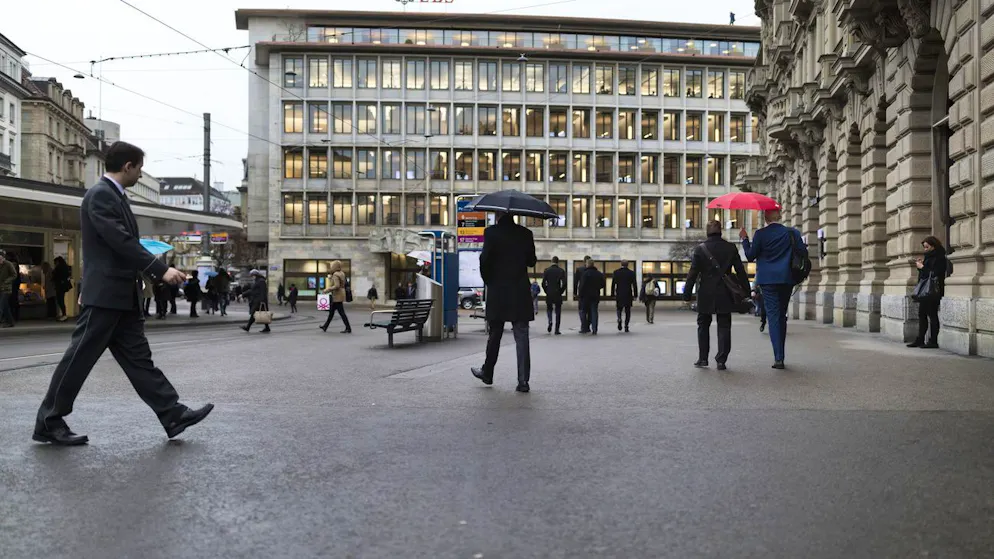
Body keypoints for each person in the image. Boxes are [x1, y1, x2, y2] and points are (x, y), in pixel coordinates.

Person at [34, 141, 213, 446]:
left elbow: (124, 243)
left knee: (139, 360)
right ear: (128, 166)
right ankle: (49, 421)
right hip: (105, 295)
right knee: (78, 360)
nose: (141, 174)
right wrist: (159, 269)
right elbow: (120, 241)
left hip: (122, 296)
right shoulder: (100, 196)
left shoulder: (116, 197)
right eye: (139, 168)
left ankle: (172, 413)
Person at [471, 211, 537, 393]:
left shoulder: (491, 233)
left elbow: (484, 260)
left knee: (495, 333)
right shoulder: (526, 234)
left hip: (498, 291)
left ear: (498, 215)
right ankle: (523, 381)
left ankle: (488, 372)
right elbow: (531, 262)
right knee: (521, 335)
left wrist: (490, 281)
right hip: (519, 291)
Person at [740, 209, 809, 369]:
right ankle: (780, 354)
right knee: (781, 314)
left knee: (773, 316)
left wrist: (744, 239)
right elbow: (803, 252)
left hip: (768, 280)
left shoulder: (760, 234)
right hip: (786, 278)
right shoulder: (792, 233)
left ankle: (779, 357)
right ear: (779, 216)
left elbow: (750, 255)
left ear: (765, 218)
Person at [685, 221, 751, 370]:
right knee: (724, 325)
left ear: (707, 232)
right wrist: (746, 291)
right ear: (721, 231)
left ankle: (703, 358)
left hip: (705, 292)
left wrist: (687, 294)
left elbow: (693, 273)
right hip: (725, 292)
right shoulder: (730, 247)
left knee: (703, 325)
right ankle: (721, 360)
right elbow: (740, 271)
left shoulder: (700, 249)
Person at [908, 236, 948, 349]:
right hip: (926, 291)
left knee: (932, 315)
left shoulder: (940, 258)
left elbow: (935, 273)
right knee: (922, 314)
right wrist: (921, 266)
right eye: (924, 247)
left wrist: (923, 267)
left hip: (933, 291)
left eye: (927, 247)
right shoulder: (928, 256)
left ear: (933, 246)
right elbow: (925, 274)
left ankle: (933, 341)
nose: (925, 249)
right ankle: (920, 339)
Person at [319, 260, 352, 333]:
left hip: (337, 295)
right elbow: (340, 283)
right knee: (332, 312)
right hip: (341, 294)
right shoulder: (342, 273)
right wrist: (331, 278)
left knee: (341, 313)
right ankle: (325, 326)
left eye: (332, 266)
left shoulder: (335, 275)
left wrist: (327, 290)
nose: (331, 267)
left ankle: (348, 328)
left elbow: (336, 286)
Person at [578, 259, 605, 335]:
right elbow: (603, 284)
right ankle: (594, 328)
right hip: (595, 295)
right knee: (594, 312)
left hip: (585, 296)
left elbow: (582, 286)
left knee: (583, 311)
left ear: (587, 264)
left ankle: (584, 327)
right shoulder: (598, 273)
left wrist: (580, 295)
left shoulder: (585, 273)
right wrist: (597, 287)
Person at [541, 256, 567, 335]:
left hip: (549, 293)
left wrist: (546, 290)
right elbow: (564, 283)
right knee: (558, 311)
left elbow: (543, 283)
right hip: (557, 293)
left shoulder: (547, 271)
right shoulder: (561, 271)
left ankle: (550, 321)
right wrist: (561, 291)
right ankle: (557, 329)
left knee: (549, 309)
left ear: (551, 262)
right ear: (558, 262)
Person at [611, 260, 638, 332]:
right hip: (628, 293)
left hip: (619, 293)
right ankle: (626, 325)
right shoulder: (631, 273)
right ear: (628, 265)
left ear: (621, 264)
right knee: (627, 310)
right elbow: (634, 285)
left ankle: (619, 318)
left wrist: (612, 294)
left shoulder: (616, 272)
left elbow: (613, 284)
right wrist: (635, 295)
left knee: (619, 308)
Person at [574, 256, 592, 330]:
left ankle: (583, 325)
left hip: (582, 293)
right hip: (591, 293)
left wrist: (575, 292)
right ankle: (588, 325)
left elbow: (576, 282)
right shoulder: (593, 270)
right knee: (590, 310)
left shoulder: (579, 269)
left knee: (582, 310)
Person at [52, 256, 71, 321]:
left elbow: (55, 276)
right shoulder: (65, 267)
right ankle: (64, 314)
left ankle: (64, 314)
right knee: (61, 300)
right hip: (63, 286)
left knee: (60, 300)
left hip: (60, 286)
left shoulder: (59, 268)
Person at [0, 251, 16, 328]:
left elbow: (14, 275)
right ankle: (10, 322)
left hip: (6, 289)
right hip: (0, 288)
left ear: (3, 258)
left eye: (0, 259)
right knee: (5, 307)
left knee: (1, 306)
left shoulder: (8, 264)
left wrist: (7, 281)